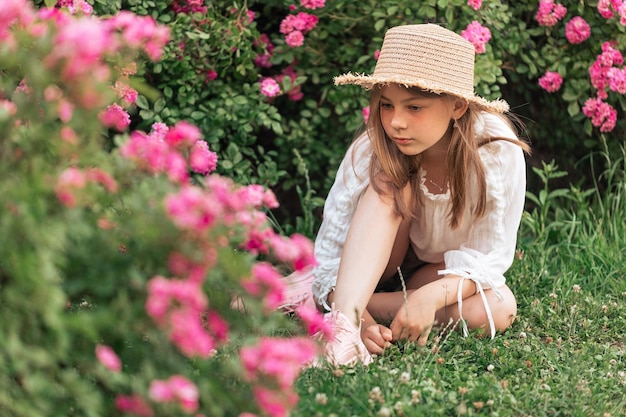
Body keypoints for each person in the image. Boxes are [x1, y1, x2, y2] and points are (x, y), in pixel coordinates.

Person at [280, 23, 530, 366]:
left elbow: (489, 258)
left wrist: (428, 298)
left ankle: (355, 304)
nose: (395, 122)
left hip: (437, 272)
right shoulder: (371, 150)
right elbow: (331, 257)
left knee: (498, 308)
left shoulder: (495, 149)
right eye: (386, 105)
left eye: (414, 107)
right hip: (375, 264)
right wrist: (361, 321)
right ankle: (345, 322)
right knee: (390, 183)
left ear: (457, 106)